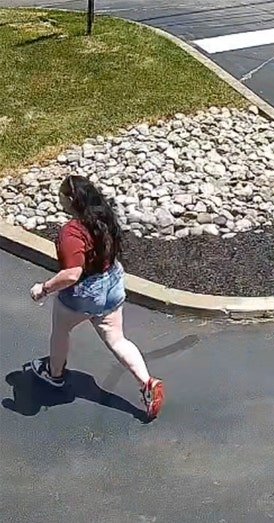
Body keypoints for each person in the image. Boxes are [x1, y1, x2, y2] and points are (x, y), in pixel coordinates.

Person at [28, 175, 165, 420]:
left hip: (84, 293)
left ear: (70, 200)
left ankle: (54, 375)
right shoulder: (104, 217)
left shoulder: (71, 233)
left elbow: (72, 274)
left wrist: (45, 288)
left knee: (61, 331)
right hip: (111, 282)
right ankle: (147, 383)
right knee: (117, 340)